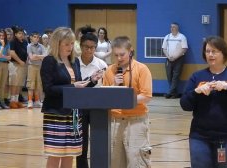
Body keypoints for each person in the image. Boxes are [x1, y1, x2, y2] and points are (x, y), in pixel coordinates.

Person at [180, 36, 227, 168]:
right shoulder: (197, 76)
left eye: (214, 51)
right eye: (207, 51)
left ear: (223, 53)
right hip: (200, 136)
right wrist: (196, 92)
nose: (210, 55)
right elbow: (185, 104)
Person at [40, 27, 102, 168]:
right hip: (56, 113)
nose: (70, 47)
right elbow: (48, 89)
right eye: (66, 44)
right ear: (57, 44)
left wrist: (91, 80)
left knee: (70, 154)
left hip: (74, 114)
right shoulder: (49, 61)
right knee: (55, 154)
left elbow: (78, 86)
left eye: (72, 43)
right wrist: (73, 87)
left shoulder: (74, 62)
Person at [102, 36, 152, 168]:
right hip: (115, 121)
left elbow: (146, 96)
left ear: (130, 51)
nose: (119, 58)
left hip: (136, 121)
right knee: (115, 162)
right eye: (116, 55)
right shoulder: (109, 71)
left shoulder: (142, 69)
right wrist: (113, 85)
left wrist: (127, 99)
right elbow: (104, 97)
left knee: (137, 162)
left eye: (122, 54)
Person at [76, 26, 107, 168]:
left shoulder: (102, 64)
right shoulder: (74, 63)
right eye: (86, 47)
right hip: (79, 108)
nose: (89, 50)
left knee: (99, 142)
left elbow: (106, 87)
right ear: (80, 46)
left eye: (92, 47)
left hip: (97, 108)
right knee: (81, 145)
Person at [162, 22, 188, 99]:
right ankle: (175, 93)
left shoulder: (182, 37)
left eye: (173, 27)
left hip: (179, 59)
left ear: (177, 28)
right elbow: (164, 48)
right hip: (168, 59)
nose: (172, 28)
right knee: (169, 76)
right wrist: (168, 57)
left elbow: (184, 49)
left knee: (175, 76)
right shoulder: (167, 37)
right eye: (171, 27)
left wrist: (175, 57)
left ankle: (169, 93)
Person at [9, 26, 28, 109]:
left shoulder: (25, 42)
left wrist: (25, 62)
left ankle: (17, 101)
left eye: (22, 33)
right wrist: (20, 61)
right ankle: (12, 101)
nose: (21, 35)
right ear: (15, 34)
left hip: (23, 65)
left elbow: (27, 53)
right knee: (14, 83)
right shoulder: (13, 42)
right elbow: (12, 53)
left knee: (19, 84)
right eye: (19, 33)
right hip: (14, 64)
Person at [26, 31, 45, 108]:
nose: (36, 38)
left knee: (38, 84)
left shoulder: (41, 46)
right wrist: (40, 56)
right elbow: (31, 58)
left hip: (39, 67)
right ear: (31, 37)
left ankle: (37, 101)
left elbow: (45, 56)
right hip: (32, 66)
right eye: (34, 37)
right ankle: (30, 101)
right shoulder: (29, 46)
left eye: (37, 37)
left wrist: (36, 56)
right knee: (31, 84)